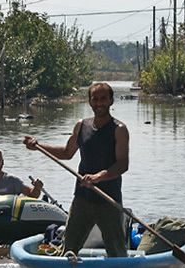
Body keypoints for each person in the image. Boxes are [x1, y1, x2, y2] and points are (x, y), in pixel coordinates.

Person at [24, 82, 130, 257]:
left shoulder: (119, 130)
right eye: (95, 99)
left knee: (117, 252)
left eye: (103, 99)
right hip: (82, 199)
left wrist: (98, 177)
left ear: (111, 101)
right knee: (68, 249)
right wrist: (38, 146)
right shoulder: (81, 126)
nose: (99, 103)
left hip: (108, 199)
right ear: (89, 101)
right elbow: (66, 153)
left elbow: (122, 165)